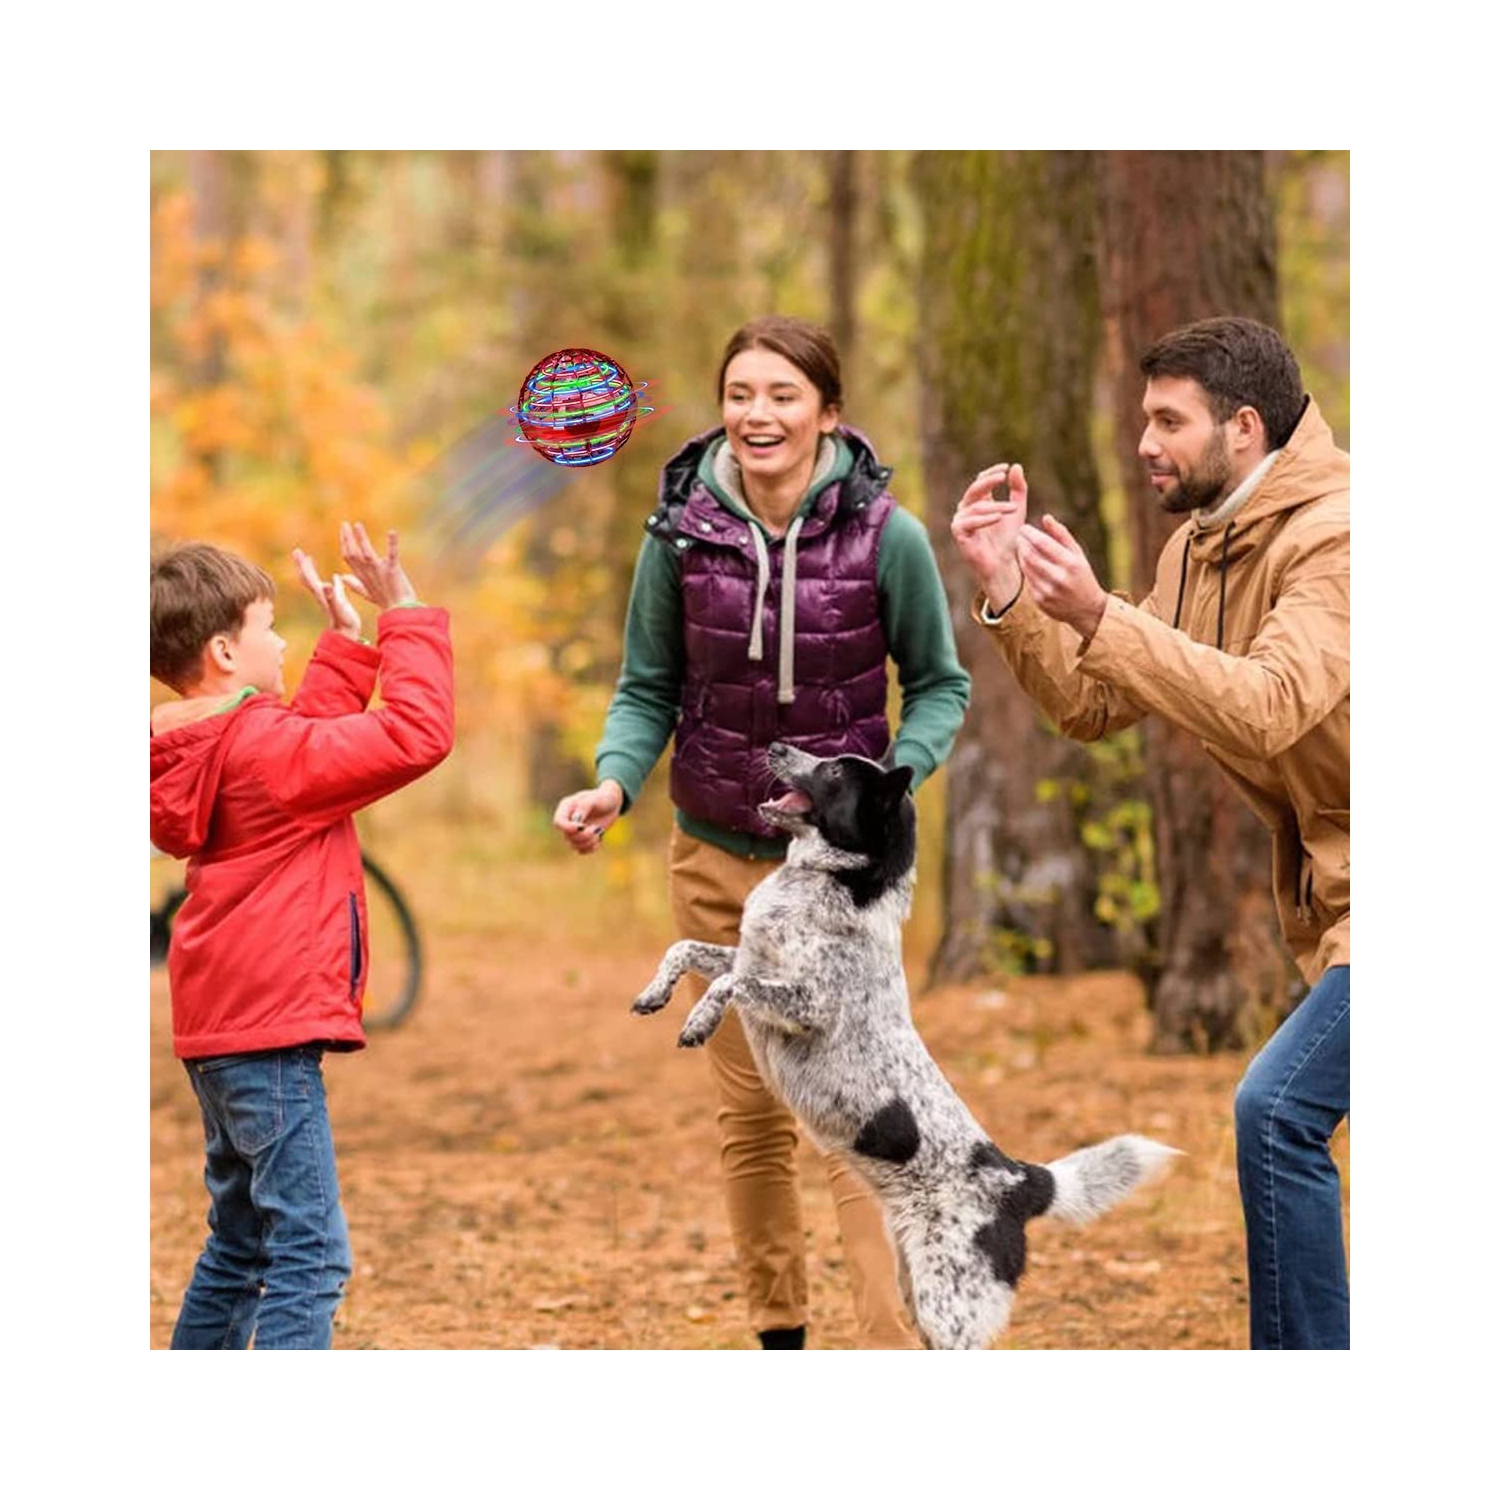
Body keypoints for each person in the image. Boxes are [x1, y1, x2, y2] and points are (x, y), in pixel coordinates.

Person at [554, 316, 971, 1349]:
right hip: (713, 855)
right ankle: (779, 1342)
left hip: (837, 879)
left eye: (783, 395)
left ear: (828, 413)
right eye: (740, 394)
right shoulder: (679, 535)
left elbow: (939, 685)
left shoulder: (889, 537)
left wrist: (893, 783)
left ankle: (889, 1349)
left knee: (849, 1116)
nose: (758, 414)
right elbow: (646, 687)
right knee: (750, 1119)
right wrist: (614, 782)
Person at [950, 315, 1349, 1350]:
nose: (1144, 443)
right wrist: (1008, 588)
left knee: (1278, 1112)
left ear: (1244, 428)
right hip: (1338, 896)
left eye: (1170, 421)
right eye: (1145, 419)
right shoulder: (1199, 549)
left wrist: (1101, 615)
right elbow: (1095, 704)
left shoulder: (1342, 538)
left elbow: (1270, 705)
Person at [150, 524, 454, 1349]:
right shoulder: (263, 749)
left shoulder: (206, 742)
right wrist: (404, 616)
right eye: (269, 627)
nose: (283, 641)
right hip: (269, 1035)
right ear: (223, 651)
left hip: (222, 1029)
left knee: (240, 1244)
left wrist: (345, 650)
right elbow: (414, 736)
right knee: (310, 1254)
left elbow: (298, 759)